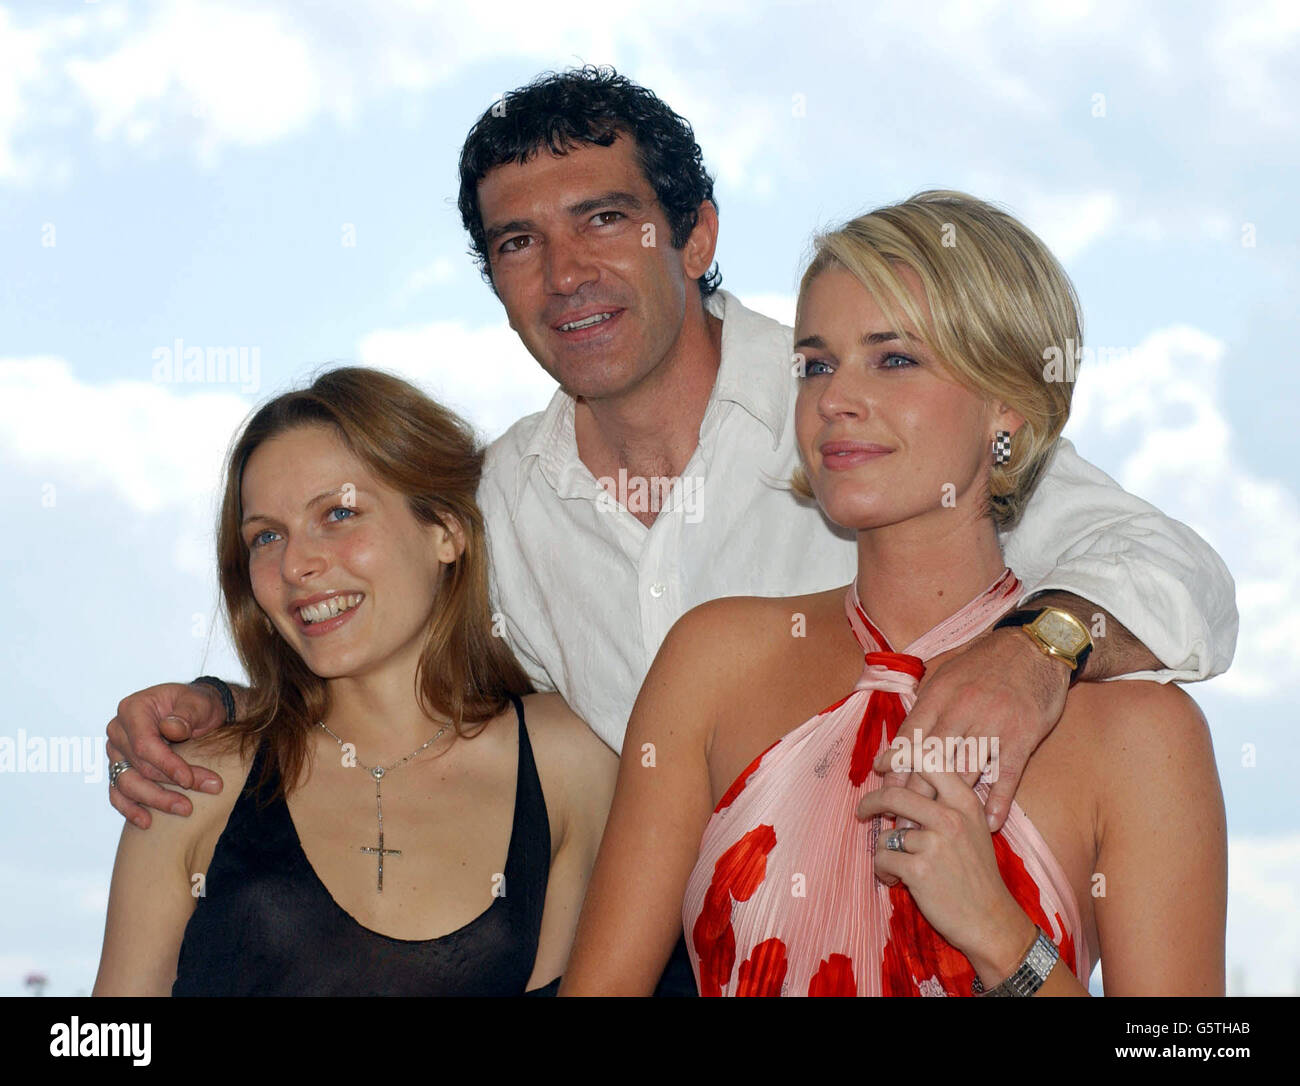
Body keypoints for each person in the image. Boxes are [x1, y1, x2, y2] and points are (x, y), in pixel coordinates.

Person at [103, 67, 1236, 996]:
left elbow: (1179, 576)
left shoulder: (905, 428)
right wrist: (224, 708)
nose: (564, 274)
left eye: (603, 218)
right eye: (516, 243)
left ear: (693, 236)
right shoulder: (501, 506)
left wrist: (1032, 656)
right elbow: (403, 673)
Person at [559, 191, 1227, 996]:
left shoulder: (1144, 736)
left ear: (1007, 404)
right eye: (816, 364)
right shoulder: (712, 662)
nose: (834, 398)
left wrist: (1001, 938)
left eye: (895, 358)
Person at [93, 368, 616, 995]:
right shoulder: (198, 783)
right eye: (266, 536)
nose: (296, 564)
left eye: (338, 513)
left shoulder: (570, 762)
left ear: (446, 531)